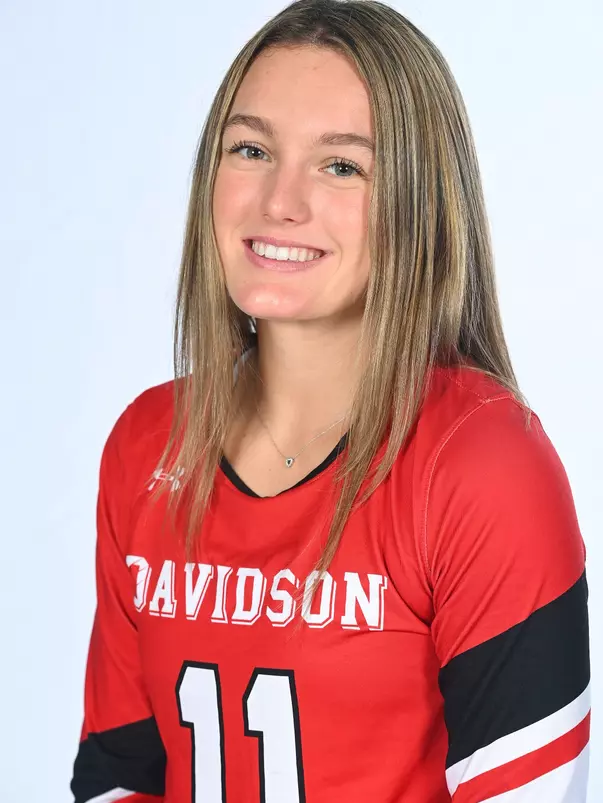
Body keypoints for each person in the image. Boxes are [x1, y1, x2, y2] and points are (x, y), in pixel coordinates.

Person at [70, 1, 591, 801]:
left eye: (340, 165)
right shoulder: (148, 442)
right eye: (250, 149)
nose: (281, 200)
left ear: (418, 204)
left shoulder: (484, 462)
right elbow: (118, 774)